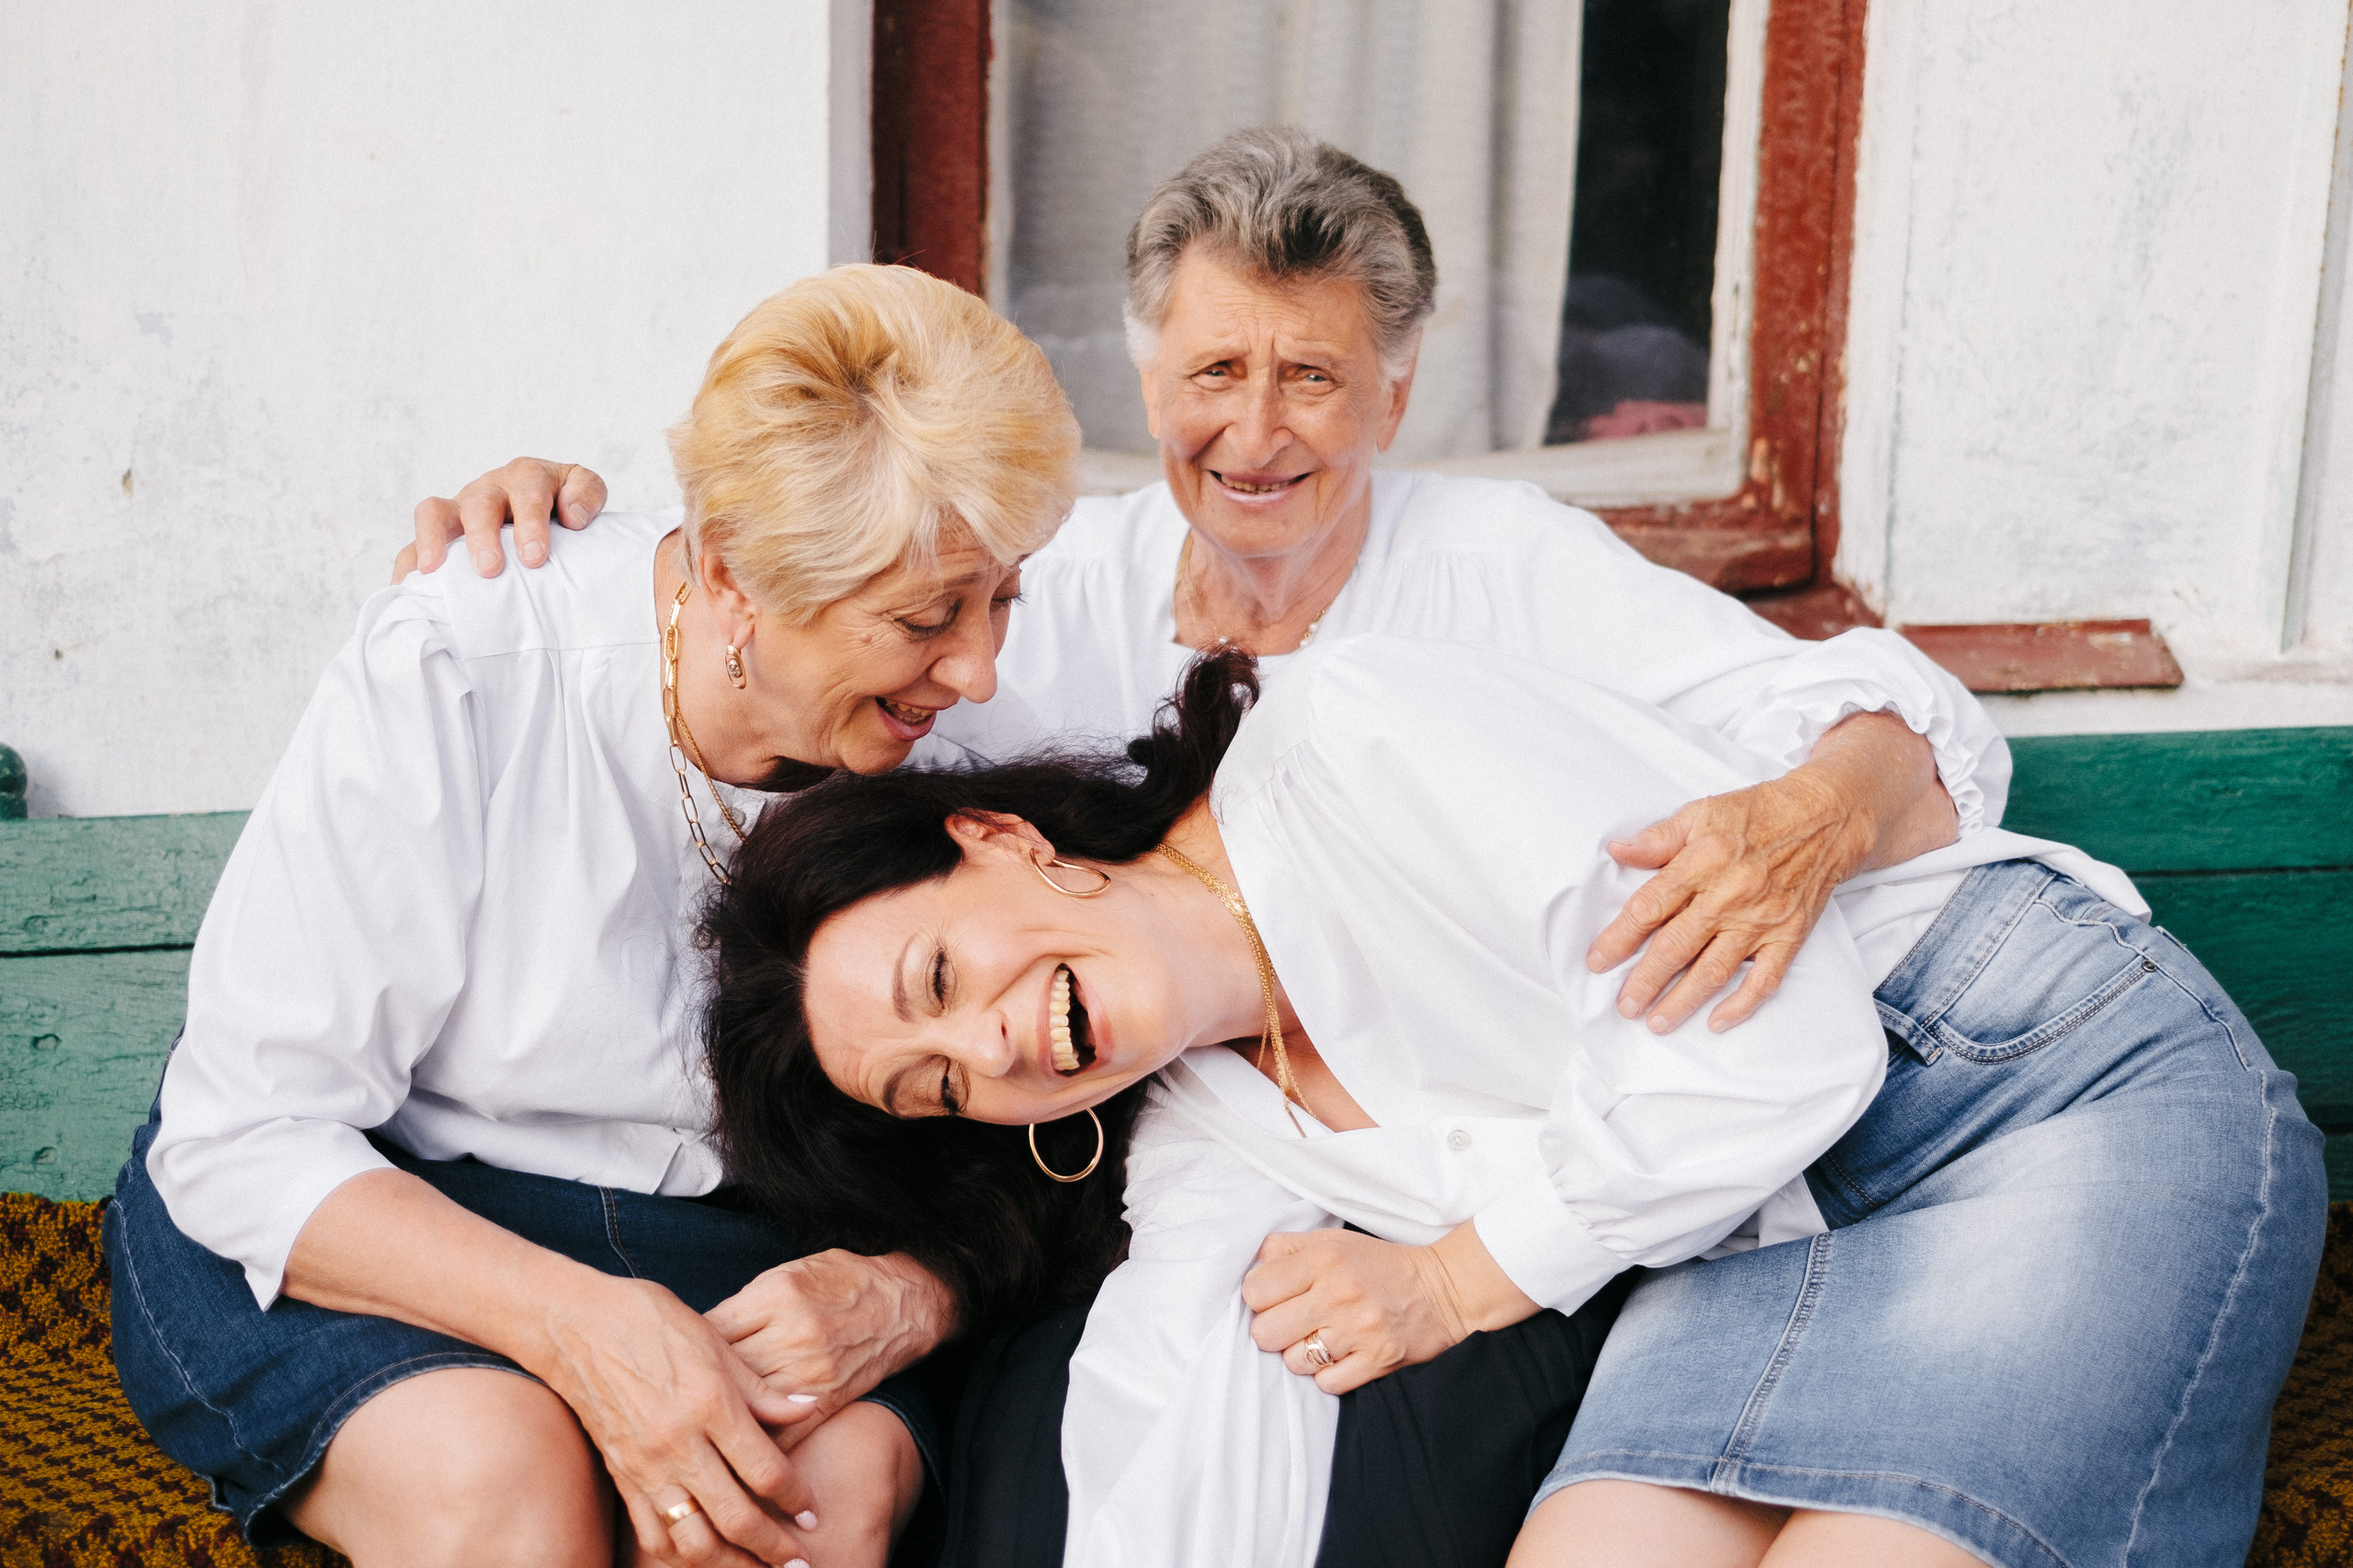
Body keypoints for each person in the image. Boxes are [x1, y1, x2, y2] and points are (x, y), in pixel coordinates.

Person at [699, 637, 2326, 1568]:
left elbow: (1787, 1048)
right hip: (1761, 1245)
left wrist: (1454, 1276)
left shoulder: (1351, 745)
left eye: (937, 981)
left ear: (994, 842)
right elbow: (1172, 1400)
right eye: (938, 1086)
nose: (991, 1050)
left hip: (2019, 1085)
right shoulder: (1210, 1113)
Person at [404, 126, 2002, 1053]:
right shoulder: (1040, 599)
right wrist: (579, 509)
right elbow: (807, 566)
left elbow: (1911, 721)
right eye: (1216, 368)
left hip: (1489, 1149)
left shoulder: (1505, 562)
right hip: (1155, 1169)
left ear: (1395, 393)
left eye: (1313, 376)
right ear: (1145, 372)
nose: (1255, 431)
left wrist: (1810, 818)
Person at [107, 263, 1081, 1568]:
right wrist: (584, 1330)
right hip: (375, 1209)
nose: (977, 667)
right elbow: (246, 1134)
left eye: (1002, 597)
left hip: (754, 1248)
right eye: (925, 618)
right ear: (734, 576)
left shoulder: (978, 748)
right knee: (510, 1485)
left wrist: (911, 1290)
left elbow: (1086, 1123)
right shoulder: (473, 653)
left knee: (805, 1516)